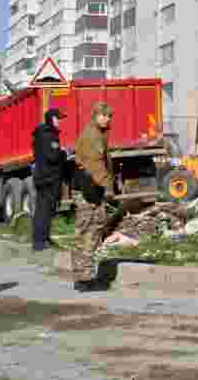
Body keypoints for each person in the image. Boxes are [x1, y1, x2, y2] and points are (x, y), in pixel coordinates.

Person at [72, 102, 116, 292]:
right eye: (105, 115)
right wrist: (108, 187)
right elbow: (96, 165)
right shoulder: (92, 136)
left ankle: (85, 276)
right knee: (87, 233)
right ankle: (84, 279)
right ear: (96, 115)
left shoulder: (96, 133)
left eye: (110, 116)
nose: (108, 119)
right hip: (89, 190)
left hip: (91, 189)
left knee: (92, 232)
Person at [31, 107, 67, 251]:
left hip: (44, 176)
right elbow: (52, 156)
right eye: (58, 119)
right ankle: (40, 242)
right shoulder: (48, 136)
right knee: (44, 210)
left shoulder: (41, 134)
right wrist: (63, 153)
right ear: (52, 119)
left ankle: (43, 238)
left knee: (45, 209)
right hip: (48, 178)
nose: (59, 122)